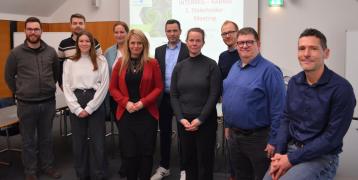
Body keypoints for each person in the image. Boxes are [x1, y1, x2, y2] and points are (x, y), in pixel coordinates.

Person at [264, 28, 356, 180]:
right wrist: (279, 153)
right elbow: (286, 119)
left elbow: (331, 138)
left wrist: (290, 160)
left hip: (321, 156)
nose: (306, 53)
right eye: (302, 48)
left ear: (326, 53)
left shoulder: (341, 89)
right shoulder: (294, 82)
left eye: (313, 48)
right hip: (290, 150)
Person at [222, 27, 286, 180]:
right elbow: (230, 98)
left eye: (249, 42)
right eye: (241, 43)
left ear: (258, 44)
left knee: (260, 177)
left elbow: (280, 110)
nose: (244, 46)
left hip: (259, 139)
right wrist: (227, 125)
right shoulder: (235, 67)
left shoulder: (270, 71)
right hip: (235, 137)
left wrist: (274, 140)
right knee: (241, 176)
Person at [4, 17, 61, 180]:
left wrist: (49, 86)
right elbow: (8, 77)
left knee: (46, 138)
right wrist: (21, 91)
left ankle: (47, 167)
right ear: (25, 31)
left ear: (41, 31)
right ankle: (30, 171)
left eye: (36, 29)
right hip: (26, 104)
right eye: (30, 29)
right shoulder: (16, 53)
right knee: (28, 140)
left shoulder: (51, 52)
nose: (33, 32)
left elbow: (56, 74)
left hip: (48, 102)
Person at [109, 29, 163, 180]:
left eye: (139, 43)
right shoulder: (120, 63)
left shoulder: (152, 63)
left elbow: (159, 87)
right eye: (133, 42)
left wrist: (142, 103)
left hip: (147, 114)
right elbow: (112, 88)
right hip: (126, 114)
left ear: (144, 45)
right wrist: (125, 103)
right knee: (129, 153)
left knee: (146, 153)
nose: (136, 46)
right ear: (128, 44)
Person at [170, 27, 221, 180]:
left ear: (203, 43)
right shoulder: (179, 67)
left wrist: (200, 119)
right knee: (188, 160)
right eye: (191, 40)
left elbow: (214, 95)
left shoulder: (211, 65)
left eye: (198, 40)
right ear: (186, 42)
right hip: (184, 122)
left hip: (205, 122)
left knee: (205, 161)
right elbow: (173, 95)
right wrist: (181, 119)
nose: (194, 43)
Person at [62, 31, 109, 180]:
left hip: (95, 100)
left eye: (87, 41)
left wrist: (90, 108)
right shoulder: (69, 62)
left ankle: (99, 174)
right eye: (81, 41)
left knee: (98, 141)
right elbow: (67, 87)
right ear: (77, 43)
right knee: (78, 142)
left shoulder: (101, 60)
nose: (84, 44)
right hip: (76, 100)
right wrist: (76, 108)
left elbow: (104, 86)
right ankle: (82, 174)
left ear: (92, 43)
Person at [151, 19, 189, 180]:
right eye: (169, 31)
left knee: (183, 134)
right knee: (165, 133)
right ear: (165, 32)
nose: (172, 34)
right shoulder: (158, 50)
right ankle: (164, 166)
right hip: (164, 99)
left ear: (180, 31)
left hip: (183, 99)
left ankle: (185, 169)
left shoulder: (188, 49)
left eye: (175, 30)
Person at [104, 20, 129, 178]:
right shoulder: (109, 52)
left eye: (122, 32)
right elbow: (106, 75)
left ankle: (133, 161)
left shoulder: (134, 47)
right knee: (123, 131)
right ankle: (126, 163)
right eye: (117, 32)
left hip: (133, 99)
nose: (119, 35)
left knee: (131, 132)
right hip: (116, 99)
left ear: (127, 33)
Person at [218, 20, 240, 180]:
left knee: (245, 149)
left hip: (246, 108)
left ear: (237, 32)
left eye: (230, 32)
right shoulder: (223, 57)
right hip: (229, 108)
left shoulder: (245, 52)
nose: (227, 36)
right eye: (224, 33)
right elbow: (221, 82)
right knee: (231, 145)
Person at [58, 13, 102, 88]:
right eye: (75, 23)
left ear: (84, 25)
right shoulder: (63, 44)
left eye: (80, 23)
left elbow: (100, 63)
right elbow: (59, 65)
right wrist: (61, 83)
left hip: (92, 86)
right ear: (70, 25)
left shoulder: (94, 42)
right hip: (71, 86)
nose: (78, 25)